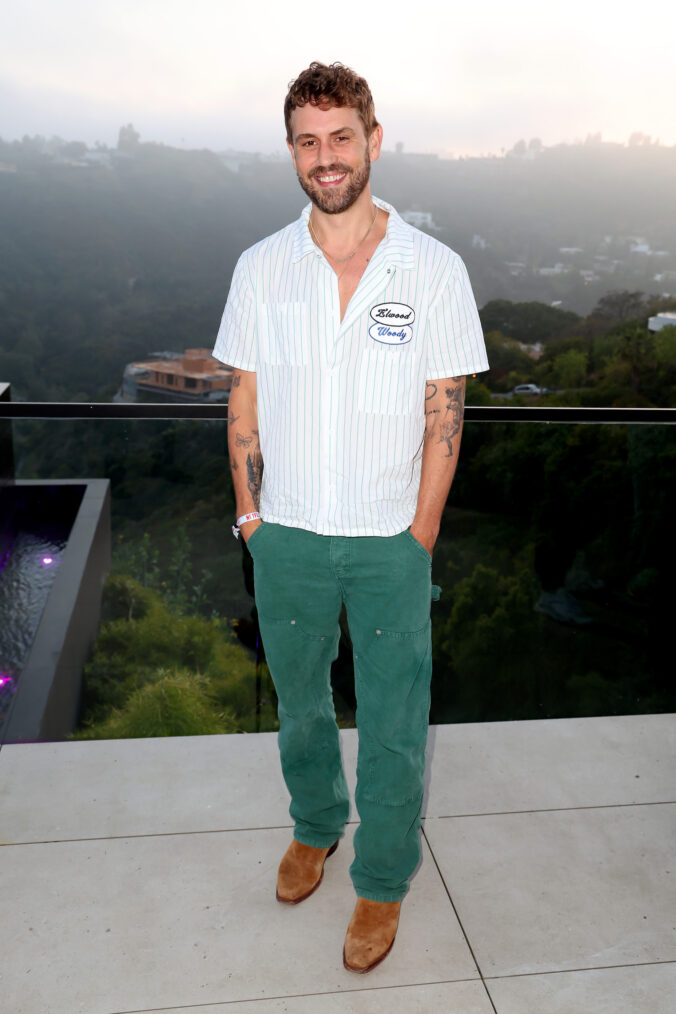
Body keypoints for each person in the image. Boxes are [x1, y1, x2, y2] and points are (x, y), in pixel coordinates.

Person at [213, 61, 488, 973]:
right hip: (285, 534)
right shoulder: (260, 266)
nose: (324, 157)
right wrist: (251, 518)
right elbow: (242, 404)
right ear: (292, 151)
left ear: (373, 139)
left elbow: (444, 415)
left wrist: (421, 535)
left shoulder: (433, 268)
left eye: (340, 137)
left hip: (387, 542)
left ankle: (380, 881)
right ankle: (316, 827)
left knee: (396, 715)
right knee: (298, 704)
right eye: (307, 141)